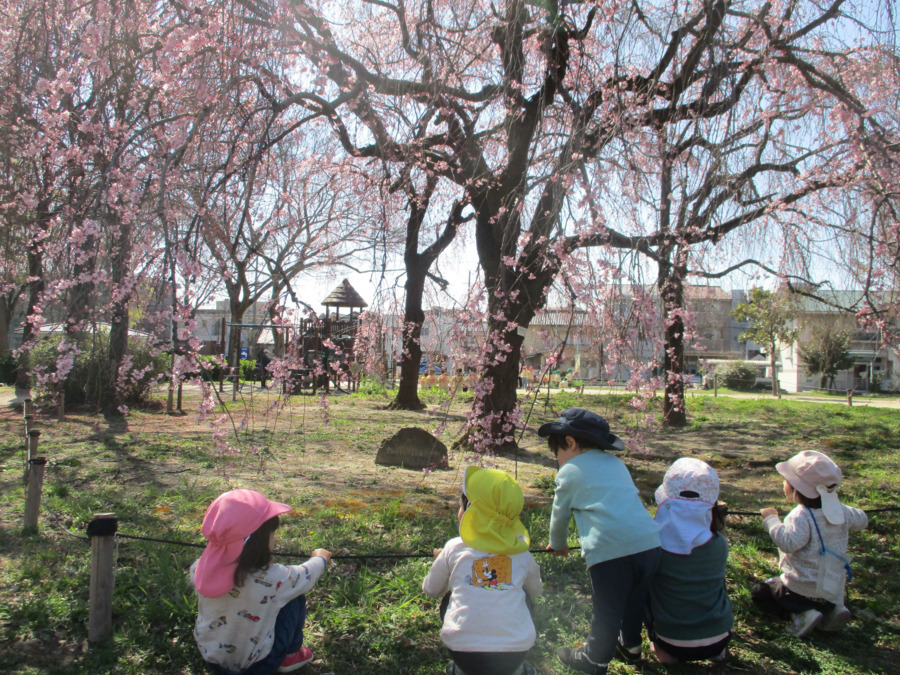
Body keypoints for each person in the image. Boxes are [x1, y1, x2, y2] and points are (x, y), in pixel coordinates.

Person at [540, 408, 661, 675]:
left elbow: (560, 514)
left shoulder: (569, 471)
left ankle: (594, 659)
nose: (557, 460)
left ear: (570, 442)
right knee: (634, 600)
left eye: (556, 453)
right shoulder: (617, 464)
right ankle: (631, 646)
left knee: (607, 609)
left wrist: (557, 544)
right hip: (649, 543)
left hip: (610, 551)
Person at [191, 489, 332, 674]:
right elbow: (306, 575)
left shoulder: (200, 568)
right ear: (258, 542)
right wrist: (320, 558)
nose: (274, 539)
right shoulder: (274, 578)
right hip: (258, 665)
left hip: (211, 658)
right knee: (294, 596)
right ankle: (291, 654)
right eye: (272, 534)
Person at [422, 466, 543, 675]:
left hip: (463, 652)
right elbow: (536, 591)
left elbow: (431, 589)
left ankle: (461, 671)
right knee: (524, 594)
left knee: (449, 598)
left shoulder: (454, 548)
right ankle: (517, 671)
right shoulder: (521, 552)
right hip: (514, 653)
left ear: (471, 511)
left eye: (460, 506)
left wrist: (443, 561)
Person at [752, 450, 868, 637]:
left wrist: (771, 519)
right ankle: (835, 609)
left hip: (800, 589)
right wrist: (843, 508)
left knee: (761, 592)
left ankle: (800, 614)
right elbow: (862, 520)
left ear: (797, 489)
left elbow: (788, 543)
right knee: (827, 595)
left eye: (787, 481)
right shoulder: (841, 511)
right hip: (832, 590)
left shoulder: (801, 515)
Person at [647, 458, 733, 664]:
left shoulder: (653, 545)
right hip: (719, 637)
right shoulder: (719, 544)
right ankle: (715, 651)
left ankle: (665, 653)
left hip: (671, 640)